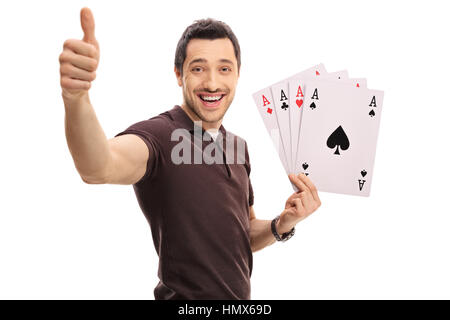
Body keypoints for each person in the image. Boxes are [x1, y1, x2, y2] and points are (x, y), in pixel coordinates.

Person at [59, 7, 322, 300]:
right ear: (179, 75)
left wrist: (281, 223)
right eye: (198, 68)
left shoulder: (238, 147)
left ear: (237, 74)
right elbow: (98, 166)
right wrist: (76, 97)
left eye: (224, 68)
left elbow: (242, 234)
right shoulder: (160, 136)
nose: (212, 83)